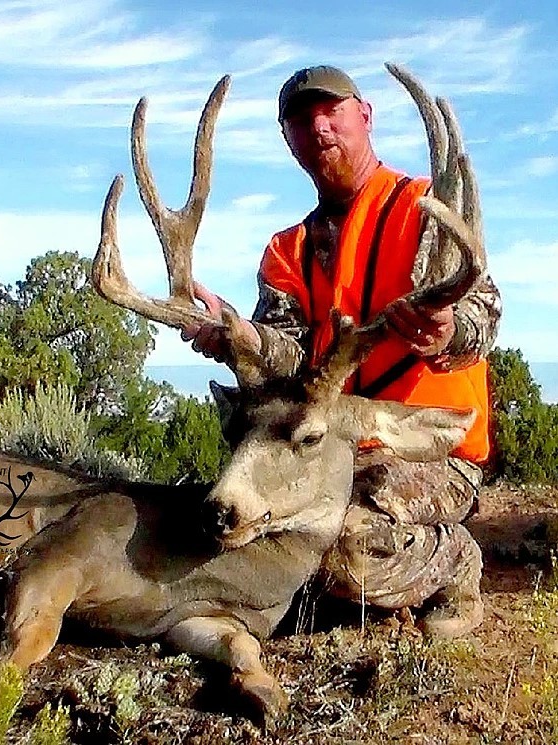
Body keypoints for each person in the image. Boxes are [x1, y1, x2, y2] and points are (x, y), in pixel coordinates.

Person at [184, 65, 501, 637]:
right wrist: (238, 336)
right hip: (327, 442)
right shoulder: (287, 249)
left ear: (365, 116)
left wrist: (450, 331)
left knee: (344, 552)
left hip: (426, 444)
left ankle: (455, 560)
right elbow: (289, 358)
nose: (319, 128)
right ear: (289, 140)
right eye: (302, 121)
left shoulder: (426, 208)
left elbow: (486, 312)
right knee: (234, 526)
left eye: (332, 111)